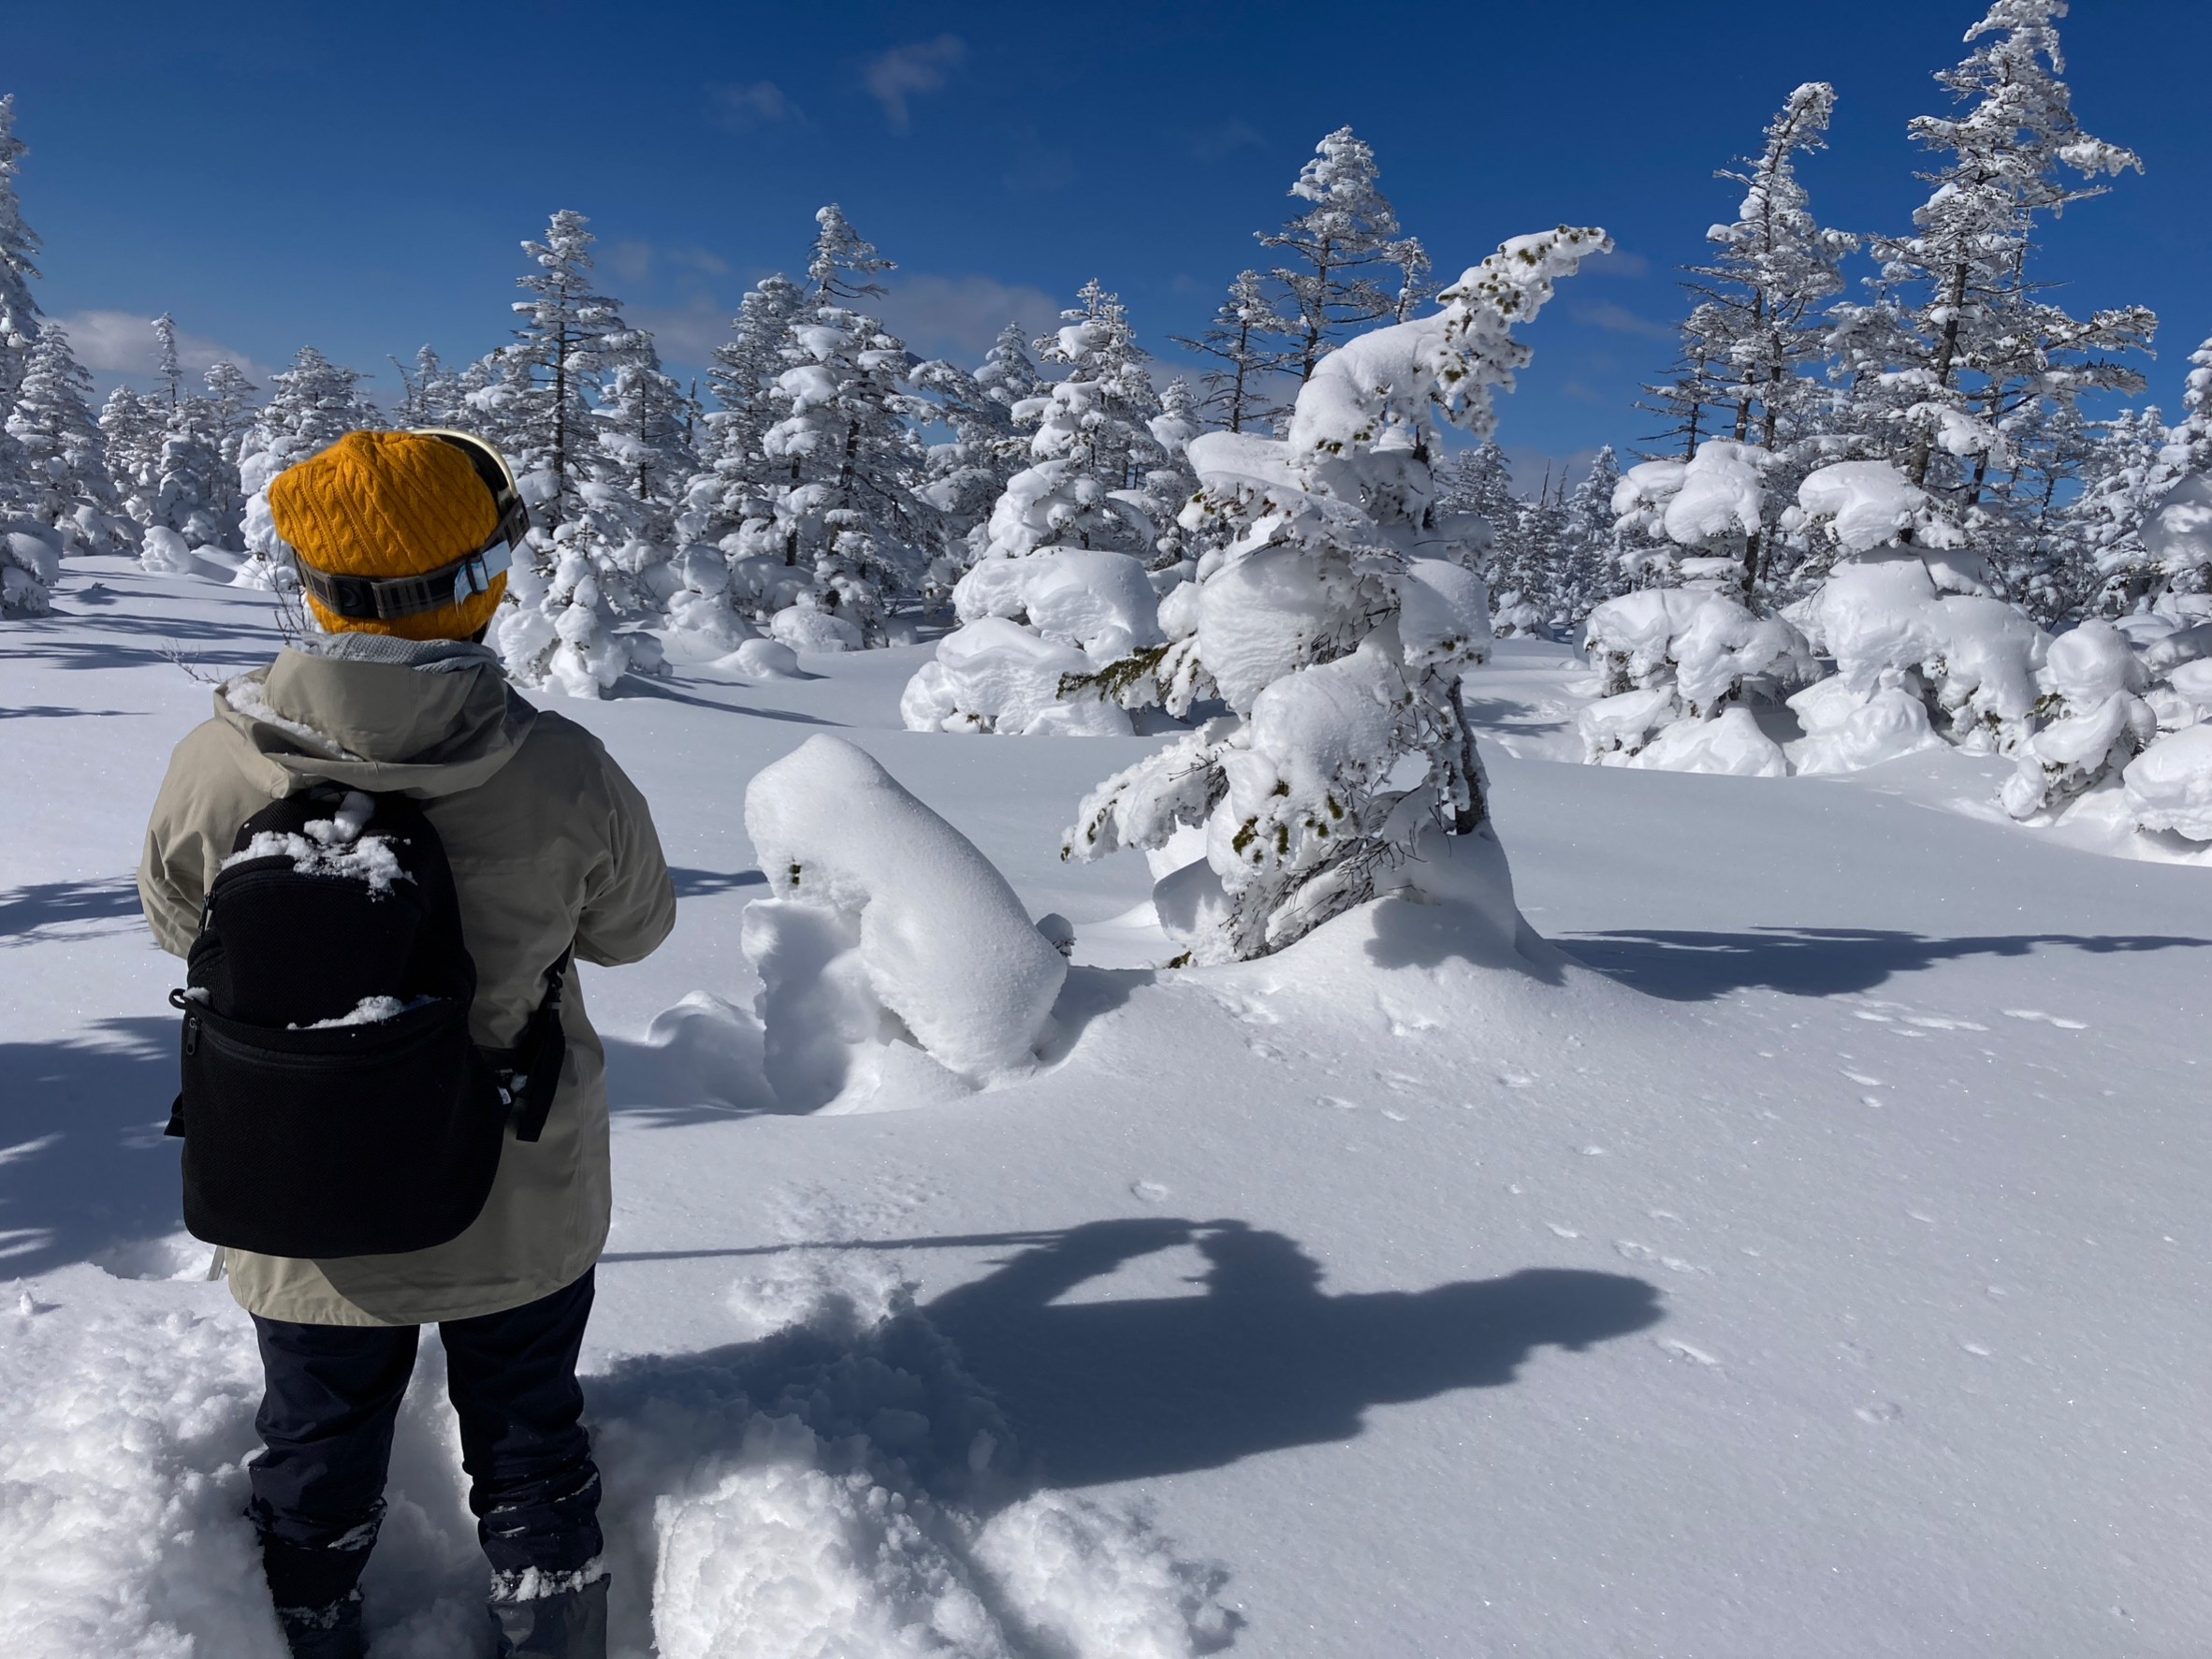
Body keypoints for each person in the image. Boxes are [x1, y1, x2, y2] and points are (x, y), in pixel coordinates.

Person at [138, 429, 677, 1659]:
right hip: (516, 1192)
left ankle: (304, 1626)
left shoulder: (219, 763)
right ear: (479, 585)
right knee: (532, 1446)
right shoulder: (560, 770)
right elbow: (637, 930)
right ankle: (554, 1632)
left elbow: (182, 925)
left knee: (314, 1451)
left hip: (298, 1191)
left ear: (313, 582)